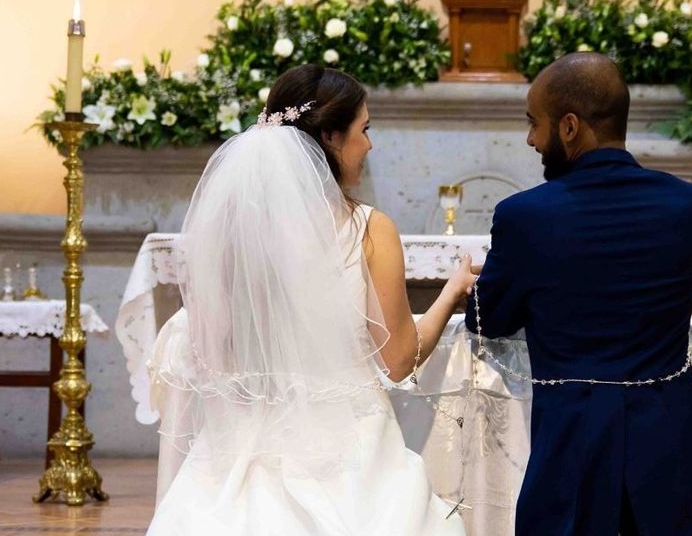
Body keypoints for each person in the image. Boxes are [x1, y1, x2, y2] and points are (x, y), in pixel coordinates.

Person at [146, 64, 471, 535]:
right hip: (349, 455)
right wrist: (452, 291)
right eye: (365, 129)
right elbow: (399, 360)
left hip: (236, 450)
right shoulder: (368, 229)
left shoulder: (232, 235)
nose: (370, 144)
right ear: (332, 137)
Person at [466, 53, 692, 535]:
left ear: (569, 127)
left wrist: (483, 281)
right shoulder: (690, 206)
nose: (530, 139)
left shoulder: (525, 216)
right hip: (675, 442)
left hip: (574, 447)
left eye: (534, 123)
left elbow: (488, 322)